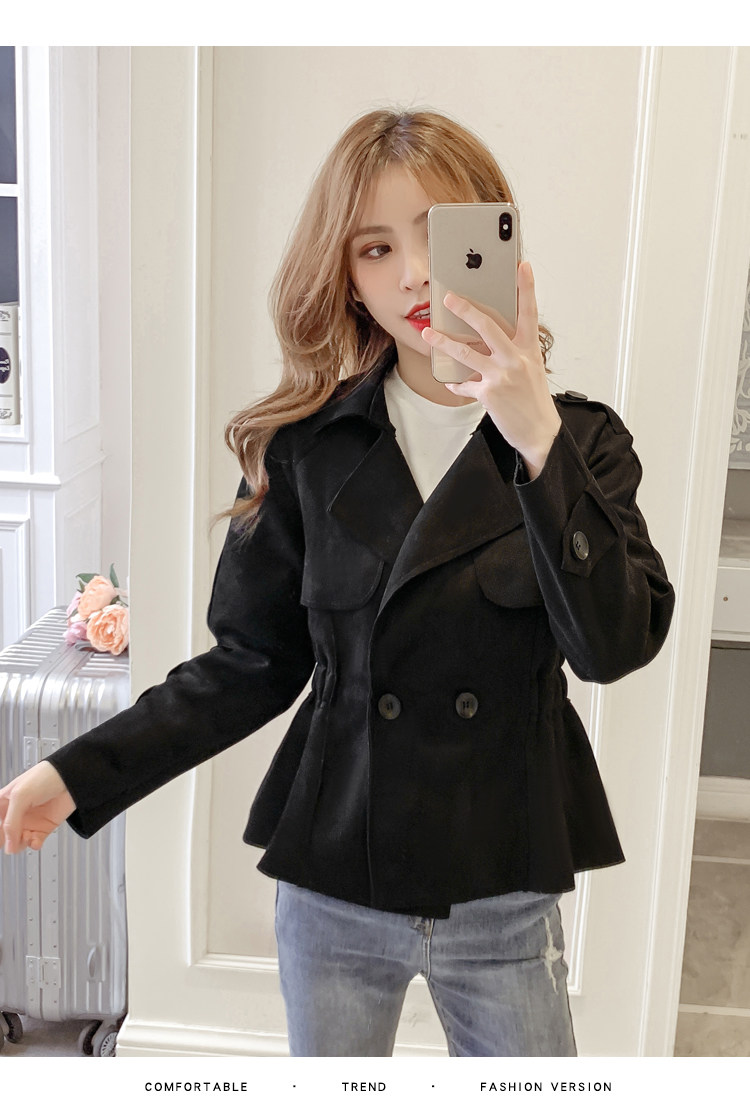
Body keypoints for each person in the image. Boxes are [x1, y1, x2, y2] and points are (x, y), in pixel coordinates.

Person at [0, 108, 674, 1057]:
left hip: (504, 880)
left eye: (439, 235)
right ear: (347, 277)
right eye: (376, 248)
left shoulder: (583, 442)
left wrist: (536, 440)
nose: (414, 274)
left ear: (495, 238)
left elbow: (613, 648)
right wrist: (78, 773)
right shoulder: (306, 451)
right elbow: (247, 667)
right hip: (336, 879)